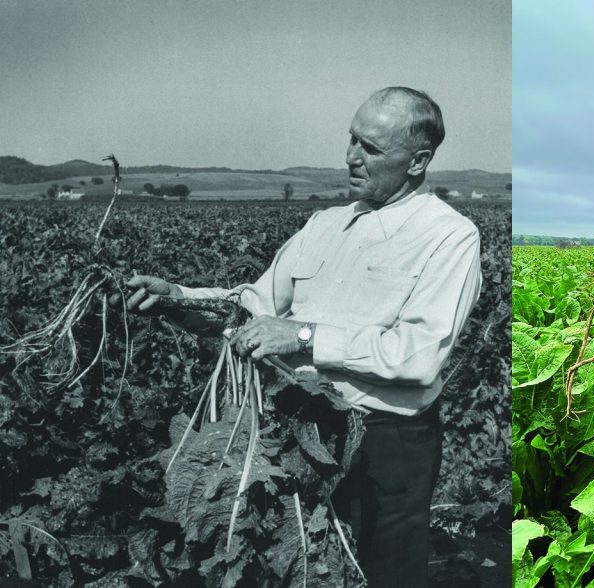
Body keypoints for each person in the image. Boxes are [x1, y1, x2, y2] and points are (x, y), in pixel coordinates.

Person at [121, 87, 482, 586]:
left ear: (418, 161)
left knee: (383, 572)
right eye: (352, 140)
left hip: (385, 440)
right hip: (299, 431)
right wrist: (177, 298)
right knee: (303, 566)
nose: (352, 157)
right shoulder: (325, 224)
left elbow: (417, 357)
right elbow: (254, 305)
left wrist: (305, 335)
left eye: (371, 149)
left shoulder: (448, 235)